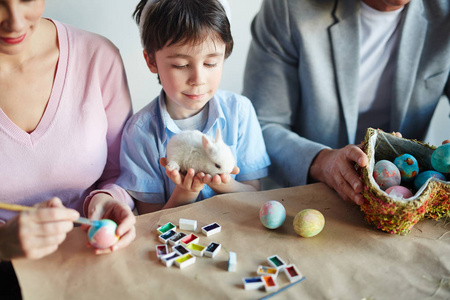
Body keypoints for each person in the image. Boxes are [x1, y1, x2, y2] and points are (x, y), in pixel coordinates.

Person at [243, 0, 450, 205]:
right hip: (306, 196)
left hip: (408, 205)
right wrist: (322, 162)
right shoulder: (289, 7)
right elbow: (259, 126)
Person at [0, 0, 136, 297]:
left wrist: (107, 200)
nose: (15, 22)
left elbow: (121, 172)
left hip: (94, 261)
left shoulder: (98, 58)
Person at [117, 0, 270, 214]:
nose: (198, 79)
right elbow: (149, 218)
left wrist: (220, 181)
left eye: (210, 63)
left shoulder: (240, 112)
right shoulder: (140, 133)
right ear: (151, 61)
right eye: (181, 65)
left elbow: (255, 193)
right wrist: (185, 191)